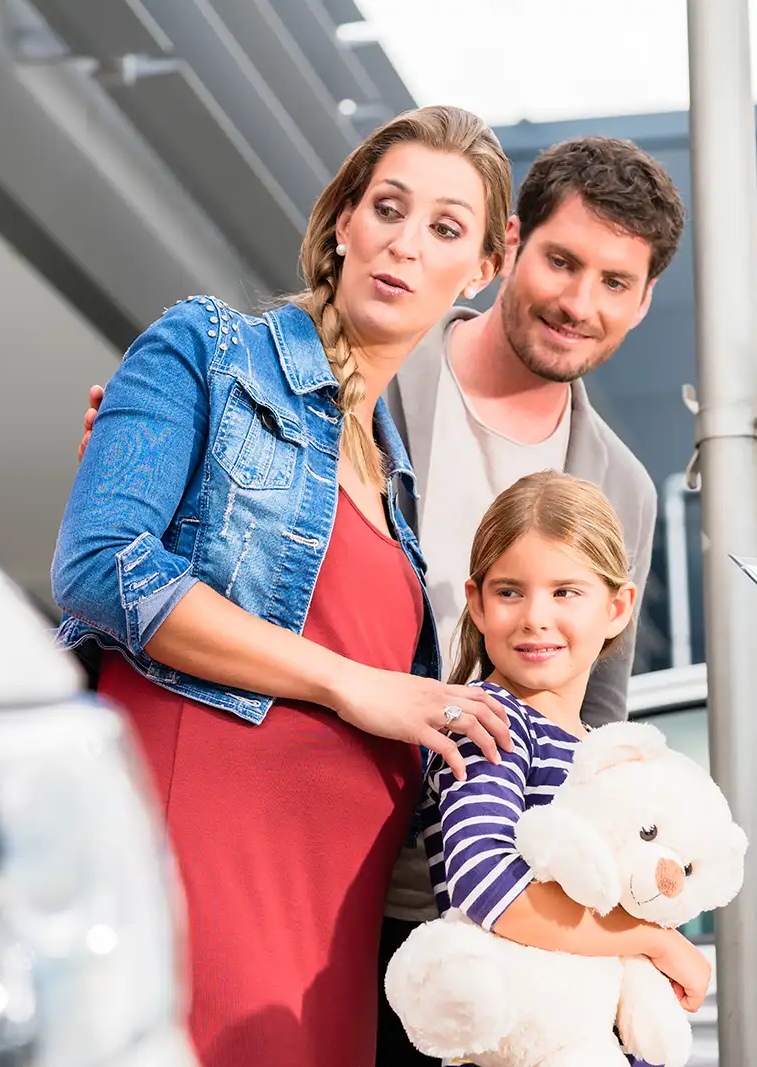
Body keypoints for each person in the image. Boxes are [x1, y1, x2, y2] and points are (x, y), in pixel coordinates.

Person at [75, 135, 688, 1064]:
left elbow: (587, 730)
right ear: (511, 252)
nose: (578, 301)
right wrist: (151, 441)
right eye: (562, 262)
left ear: (644, 302)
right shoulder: (307, 370)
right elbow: (119, 558)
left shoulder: (606, 486)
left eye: (615, 282)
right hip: (236, 837)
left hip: (429, 895)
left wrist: (594, 937)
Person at [50, 105, 516, 1067]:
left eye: (444, 228)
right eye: (387, 207)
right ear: (342, 220)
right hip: (201, 841)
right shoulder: (210, 351)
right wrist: (352, 680)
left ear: (477, 272)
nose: (403, 243)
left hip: (333, 906)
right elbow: (102, 567)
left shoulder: (400, 482)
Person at [416, 471, 712, 1064]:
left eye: (565, 592)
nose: (535, 617)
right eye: (509, 592)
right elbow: (485, 885)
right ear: (475, 602)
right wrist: (656, 940)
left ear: (618, 606)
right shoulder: (486, 724)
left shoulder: (601, 750)